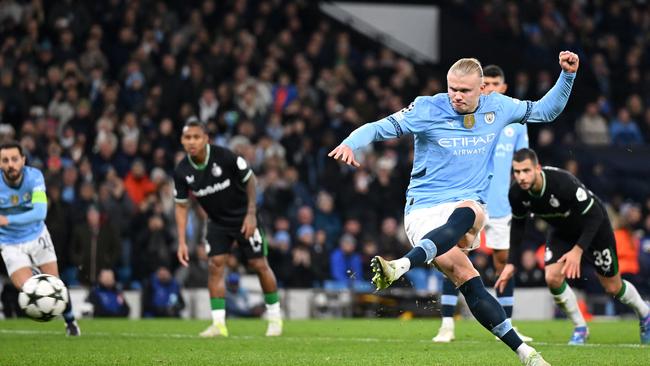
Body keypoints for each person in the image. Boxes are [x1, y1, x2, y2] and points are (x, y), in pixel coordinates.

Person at [329, 51, 581, 365]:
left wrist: (567, 76)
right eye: (452, 88)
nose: (456, 96)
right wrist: (352, 142)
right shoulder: (426, 108)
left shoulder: (498, 107)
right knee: (468, 277)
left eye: (464, 91)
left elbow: (546, 111)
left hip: (465, 208)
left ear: (482, 90)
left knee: (471, 210)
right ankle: (526, 353)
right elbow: (380, 127)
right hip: (423, 211)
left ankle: (403, 265)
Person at [496, 148, 650, 345]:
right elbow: (518, 226)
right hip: (562, 231)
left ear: (537, 168)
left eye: (526, 171)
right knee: (552, 277)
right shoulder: (517, 193)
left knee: (613, 286)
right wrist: (511, 262)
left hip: (593, 228)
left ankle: (645, 314)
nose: (521, 177)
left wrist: (578, 250)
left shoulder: (562, 183)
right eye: (517, 172)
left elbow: (595, 215)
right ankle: (580, 327)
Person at [433, 65, 532, 343]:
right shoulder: (467, 115)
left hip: (500, 203)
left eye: (494, 82)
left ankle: (508, 324)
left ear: (504, 87)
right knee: (452, 256)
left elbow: (523, 161)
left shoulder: (515, 123)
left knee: (504, 262)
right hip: (469, 199)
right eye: (484, 82)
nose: (488, 87)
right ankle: (446, 325)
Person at [175, 119, 282, 337]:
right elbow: (181, 206)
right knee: (215, 266)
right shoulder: (182, 170)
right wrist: (182, 241)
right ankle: (218, 324)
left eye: (196, 137)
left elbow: (250, 180)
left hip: (244, 217)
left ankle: (274, 318)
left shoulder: (224, 156)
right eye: (188, 138)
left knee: (258, 264)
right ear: (182, 141)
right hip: (217, 222)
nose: (192, 142)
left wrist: (251, 214)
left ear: (206, 139)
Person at [0, 141, 80, 335]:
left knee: (55, 284)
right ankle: (36, 274)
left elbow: (40, 213)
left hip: (37, 236)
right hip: (10, 243)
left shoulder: (34, 177)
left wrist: (7, 219)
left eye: (15, 159)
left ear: (23, 160)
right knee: (28, 289)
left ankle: (70, 322)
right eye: (5, 160)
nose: (11, 164)